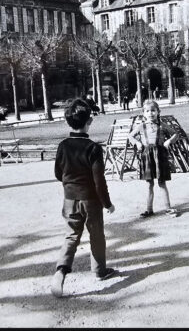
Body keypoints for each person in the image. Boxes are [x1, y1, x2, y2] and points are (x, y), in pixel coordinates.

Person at [51, 98, 116, 298]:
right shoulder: (93, 148)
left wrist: (70, 184)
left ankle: (61, 270)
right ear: (90, 122)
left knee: (71, 236)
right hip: (90, 201)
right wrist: (107, 203)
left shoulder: (63, 145)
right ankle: (99, 270)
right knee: (96, 235)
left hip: (69, 200)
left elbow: (57, 173)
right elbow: (99, 181)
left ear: (68, 122)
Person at [128, 99, 179, 218]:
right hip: (147, 155)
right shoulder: (141, 126)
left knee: (162, 183)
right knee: (149, 184)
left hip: (160, 155)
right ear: (143, 113)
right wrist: (137, 143)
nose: (150, 113)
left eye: (153, 111)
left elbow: (176, 134)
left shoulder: (162, 125)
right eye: (147, 111)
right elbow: (130, 136)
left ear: (158, 111)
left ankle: (168, 208)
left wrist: (168, 141)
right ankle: (149, 209)